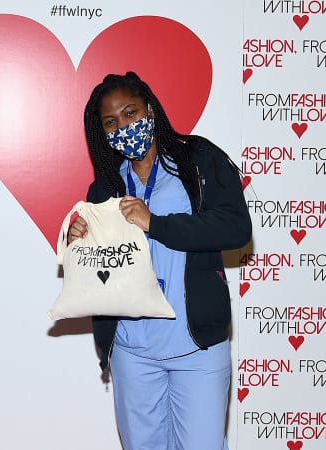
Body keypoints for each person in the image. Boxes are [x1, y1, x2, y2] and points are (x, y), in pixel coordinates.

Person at [68, 72, 251, 449]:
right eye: (111, 122)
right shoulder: (105, 185)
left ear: (150, 109)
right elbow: (97, 268)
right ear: (102, 133)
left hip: (195, 345)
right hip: (133, 352)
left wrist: (155, 223)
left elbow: (235, 228)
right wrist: (79, 242)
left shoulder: (196, 159)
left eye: (130, 113)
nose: (124, 126)